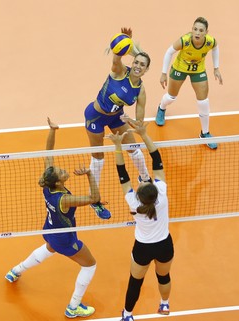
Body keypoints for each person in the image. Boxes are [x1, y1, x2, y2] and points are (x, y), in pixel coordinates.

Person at [5, 117, 99, 318]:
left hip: (50, 230)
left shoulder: (48, 185)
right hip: (64, 238)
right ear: (58, 182)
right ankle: (73, 307)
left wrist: (53, 131)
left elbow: (48, 154)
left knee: (48, 249)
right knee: (90, 264)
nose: (63, 170)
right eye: (61, 172)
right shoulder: (65, 199)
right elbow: (94, 198)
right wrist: (90, 174)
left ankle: (15, 271)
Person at [105, 118, 174, 320]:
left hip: (143, 247)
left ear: (141, 194)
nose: (144, 180)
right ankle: (164, 304)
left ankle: (127, 315)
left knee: (135, 282)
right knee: (163, 276)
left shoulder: (134, 203)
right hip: (164, 245)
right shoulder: (161, 194)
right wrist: (143, 134)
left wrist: (118, 146)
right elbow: (157, 159)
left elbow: (122, 174)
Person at [85, 27, 152, 220]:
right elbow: (116, 58)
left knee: (134, 148)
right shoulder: (120, 71)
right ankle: (94, 200)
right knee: (98, 158)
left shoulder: (140, 90)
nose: (138, 66)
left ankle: (145, 178)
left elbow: (139, 120)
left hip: (116, 117)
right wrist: (125, 43)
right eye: (137, 62)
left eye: (143, 65)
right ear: (133, 62)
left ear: (146, 70)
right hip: (96, 117)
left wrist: (130, 121)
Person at [155, 17, 223, 150]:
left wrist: (216, 68)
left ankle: (204, 133)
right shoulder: (184, 40)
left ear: (206, 32)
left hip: (198, 70)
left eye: (201, 30)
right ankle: (162, 108)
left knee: (203, 101)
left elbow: (216, 48)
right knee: (171, 97)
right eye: (195, 29)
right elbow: (169, 52)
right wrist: (163, 73)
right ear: (192, 29)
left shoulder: (210, 41)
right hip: (180, 69)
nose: (197, 33)